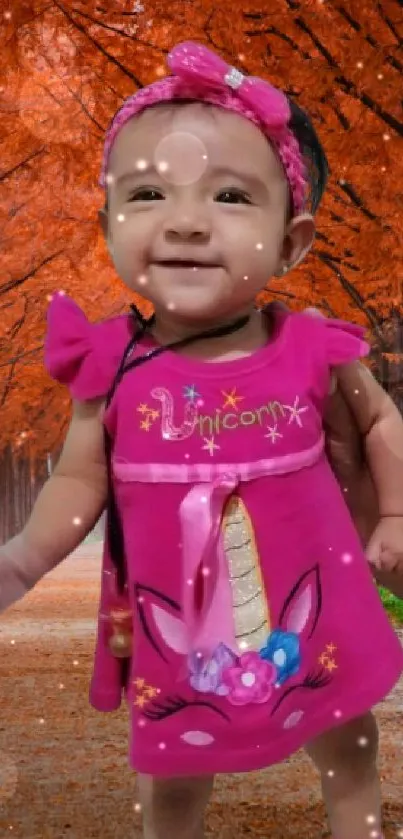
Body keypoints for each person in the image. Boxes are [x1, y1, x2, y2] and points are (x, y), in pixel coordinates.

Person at [1, 40, 403, 839]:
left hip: (314, 611)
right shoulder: (109, 363)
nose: (185, 222)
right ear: (109, 222)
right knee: (172, 770)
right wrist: (24, 555)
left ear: (291, 242)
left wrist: (392, 516)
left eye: (228, 196)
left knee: (349, 745)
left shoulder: (313, 345)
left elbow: (380, 423)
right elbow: (81, 481)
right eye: (148, 192)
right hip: (181, 630)